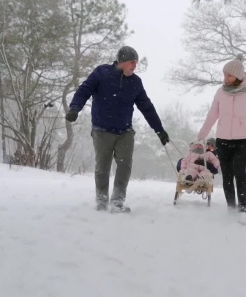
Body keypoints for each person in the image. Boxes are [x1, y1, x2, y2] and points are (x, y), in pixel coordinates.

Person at [66, 46, 170, 212]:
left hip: (125, 132)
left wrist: (159, 130)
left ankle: (117, 201)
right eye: (132, 62)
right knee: (103, 166)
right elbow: (84, 90)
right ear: (122, 62)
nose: (134, 66)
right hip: (102, 130)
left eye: (136, 63)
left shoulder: (135, 82)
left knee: (125, 165)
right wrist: (75, 108)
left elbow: (147, 107)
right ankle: (101, 200)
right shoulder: (101, 73)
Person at [197, 54, 246, 214]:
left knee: (239, 172)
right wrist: (201, 136)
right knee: (227, 175)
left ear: (238, 76)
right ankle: (231, 209)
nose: (225, 78)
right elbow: (212, 115)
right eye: (224, 74)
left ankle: (243, 209)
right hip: (222, 141)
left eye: (229, 75)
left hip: (243, 142)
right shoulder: (220, 92)